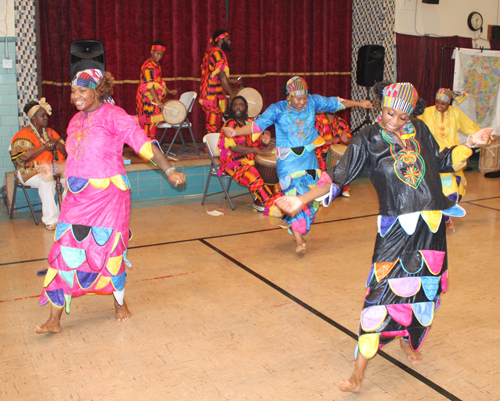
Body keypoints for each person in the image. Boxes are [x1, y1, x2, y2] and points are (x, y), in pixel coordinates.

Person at [275, 81, 493, 392]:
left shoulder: (419, 129)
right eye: (390, 113)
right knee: (379, 295)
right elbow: (338, 176)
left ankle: (406, 341)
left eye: (402, 117)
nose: (394, 121)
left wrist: (472, 140)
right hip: (396, 229)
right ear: (382, 107)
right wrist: (301, 200)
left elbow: (442, 159)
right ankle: (358, 373)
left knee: (422, 292)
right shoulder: (367, 138)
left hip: (430, 226)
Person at [35, 69, 186, 334]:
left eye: (82, 91)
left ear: (98, 91)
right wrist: (54, 170)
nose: (76, 96)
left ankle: (119, 303)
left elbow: (143, 144)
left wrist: (168, 169)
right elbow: (75, 160)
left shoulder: (115, 116)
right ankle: (54, 319)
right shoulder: (75, 122)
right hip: (77, 199)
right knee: (64, 252)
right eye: (73, 91)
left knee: (111, 251)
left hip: (109, 198)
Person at [223, 76, 373, 254]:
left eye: (304, 98)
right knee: (294, 195)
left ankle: (300, 230)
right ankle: (299, 240)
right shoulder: (277, 109)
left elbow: (336, 103)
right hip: (288, 162)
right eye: (298, 98)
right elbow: (256, 126)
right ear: (289, 95)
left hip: (309, 158)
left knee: (311, 197)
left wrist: (359, 103)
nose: (302, 102)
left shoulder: (313, 102)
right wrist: (236, 131)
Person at [418, 88, 480, 229]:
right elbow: (412, 124)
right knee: (434, 187)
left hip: (451, 158)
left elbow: (471, 128)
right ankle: (440, 219)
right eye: (437, 102)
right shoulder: (427, 112)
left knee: (455, 191)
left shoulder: (456, 113)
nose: (439, 106)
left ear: (449, 103)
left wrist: (482, 136)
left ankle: (445, 216)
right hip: (431, 157)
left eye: (443, 104)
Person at [218, 96, 282, 216]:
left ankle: (273, 200)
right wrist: (257, 150)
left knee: (276, 168)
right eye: (235, 104)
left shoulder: (250, 124)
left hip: (250, 161)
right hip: (232, 163)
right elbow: (233, 147)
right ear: (231, 108)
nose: (238, 107)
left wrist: (264, 143)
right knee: (252, 172)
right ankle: (270, 206)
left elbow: (256, 147)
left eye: (241, 105)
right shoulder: (229, 125)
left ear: (246, 108)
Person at [10, 99, 66, 230]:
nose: (46, 118)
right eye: (42, 115)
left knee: (73, 180)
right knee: (47, 181)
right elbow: (23, 157)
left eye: (46, 115)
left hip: (53, 169)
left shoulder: (51, 133)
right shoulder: (23, 134)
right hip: (28, 171)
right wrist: (44, 147)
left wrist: (57, 143)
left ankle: (62, 214)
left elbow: (65, 152)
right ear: (33, 118)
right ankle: (50, 220)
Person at [136, 40, 178, 140]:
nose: (159, 56)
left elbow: (158, 82)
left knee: (151, 124)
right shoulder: (148, 65)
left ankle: (150, 148)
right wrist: (157, 101)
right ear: (151, 51)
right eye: (157, 53)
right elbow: (150, 86)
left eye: (161, 55)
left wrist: (168, 91)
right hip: (146, 98)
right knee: (148, 122)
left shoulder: (156, 64)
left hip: (152, 98)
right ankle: (147, 150)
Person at [200, 29, 238, 134]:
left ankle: (211, 149)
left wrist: (229, 80)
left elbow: (213, 74)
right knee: (213, 128)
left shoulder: (210, 51)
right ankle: (210, 150)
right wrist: (232, 95)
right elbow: (221, 76)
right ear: (221, 40)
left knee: (212, 126)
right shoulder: (219, 54)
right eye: (228, 39)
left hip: (207, 96)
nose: (230, 42)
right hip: (214, 97)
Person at [314, 111, 352, 197]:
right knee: (322, 164)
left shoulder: (342, 123)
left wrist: (346, 140)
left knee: (347, 160)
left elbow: (349, 139)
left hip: (335, 153)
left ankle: (343, 188)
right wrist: (327, 141)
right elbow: (313, 139)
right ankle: (321, 191)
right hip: (320, 151)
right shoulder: (318, 121)